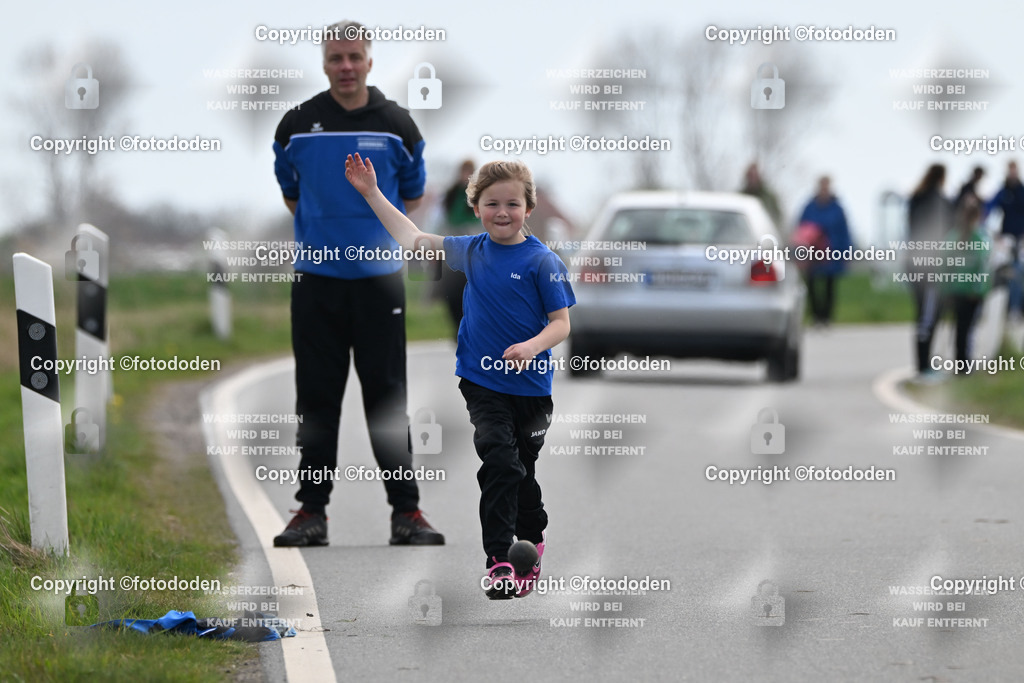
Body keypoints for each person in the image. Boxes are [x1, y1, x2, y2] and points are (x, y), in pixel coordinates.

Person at [345, 154, 575, 599]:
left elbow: (561, 323)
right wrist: (372, 193)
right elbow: (412, 239)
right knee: (499, 460)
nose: (502, 212)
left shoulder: (542, 262)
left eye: (512, 203)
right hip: (481, 382)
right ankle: (500, 561)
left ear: (529, 207)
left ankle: (532, 540)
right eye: (492, 203)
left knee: (522, 473)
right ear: (476, 208)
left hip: (531, 390)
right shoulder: (471, 250)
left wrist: (531, 347)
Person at [270, 20, 444, 547]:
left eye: (354, 56)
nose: (345, 66)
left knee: (387, 398)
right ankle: (311, 513)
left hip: (378, 285)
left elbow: (412, 198)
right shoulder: (296, 125)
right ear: (324, 64)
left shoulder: (397, 125)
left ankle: (407, 513)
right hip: (317, 283)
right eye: (335, 58)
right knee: (317, 400)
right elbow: (292, 196)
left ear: (370, 60)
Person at [907, 164, 953, 380]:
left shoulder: (915, 198)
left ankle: (923, 362)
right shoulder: (939, 202)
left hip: (914, 264)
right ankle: (923, 364)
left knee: (924, 313)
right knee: (929, 315)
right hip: (932, 266)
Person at [942, 198, 991, 369]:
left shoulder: (953, 236)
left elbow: (944, 265)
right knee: (968, 328)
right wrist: (980, 289)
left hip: (957, 289)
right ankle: (964, 363)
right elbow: (983, 266)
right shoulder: (980, 238)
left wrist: (945, 288)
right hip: (972, 292)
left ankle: (960, 362)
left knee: (960, 328)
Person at [796, 176, 852, 326]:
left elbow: (844, 232)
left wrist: (846, 252)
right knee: (812, 285)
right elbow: (801, 229)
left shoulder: (837, 209)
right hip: (812, 253)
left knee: (829, 286)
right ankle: (815, 316)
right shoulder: (809, 207)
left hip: (832, 252)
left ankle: (827, 317)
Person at [437, 159, 478, 333]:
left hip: (471, 249)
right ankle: (457, 328)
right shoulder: (451, 194)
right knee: (450, 292)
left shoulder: (479, 194)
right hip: (453, 245)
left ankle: (470, 326)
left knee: (470, 290)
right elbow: (444, 218)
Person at [987, 161, 1024, 318]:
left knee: (1017, 272)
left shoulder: (1022, 191)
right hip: (1006, 238)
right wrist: (991, 231)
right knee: (1000, 272)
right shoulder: (1003, 191)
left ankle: (1014, 309)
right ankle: (994, 310)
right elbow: (989, 208)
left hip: (1021, 239)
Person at [741, 162, 783, 227]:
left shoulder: (768, 198)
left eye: (754, 176)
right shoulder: (741, 197)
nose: (752, 179)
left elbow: (777, 218)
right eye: (750, 176)